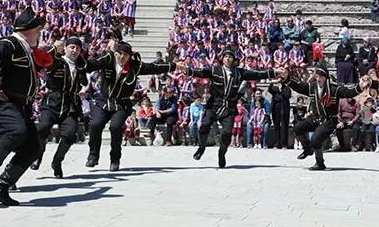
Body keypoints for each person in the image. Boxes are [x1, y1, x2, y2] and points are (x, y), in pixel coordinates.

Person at [0, 6, 51, 206]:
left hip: (21, 106)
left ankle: (2, 187)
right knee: (16, 131)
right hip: (3, 103)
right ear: (28, 29)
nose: (40, 33)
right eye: (38, 29)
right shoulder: (9, 43)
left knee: (33, 148)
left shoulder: (26, 48)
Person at [177, 50, 280, 168]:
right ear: (222, 59)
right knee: (204, 125)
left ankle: (222, 153)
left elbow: (257, 74)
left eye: (230, 57)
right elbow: (201, 72)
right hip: (214, 105)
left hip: (229, 107)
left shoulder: (239, 73)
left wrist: (274, 72)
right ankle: (201, 147)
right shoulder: (215, 70)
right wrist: (187, 70)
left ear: (233, 60)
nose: (227, 59)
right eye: (225, 56)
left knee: (226, 133)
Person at [85, 41, 176, 171]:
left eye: (125, 55)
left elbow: (154, 67)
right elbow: (92, 64)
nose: (122, 57)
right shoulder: (108, 60)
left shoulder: (134, 66)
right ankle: (93, 155)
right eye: (120, 54)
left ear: (129, 56)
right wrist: (106, 51)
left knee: (115, 128)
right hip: (104, 100)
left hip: (122, 103)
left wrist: (173, 66)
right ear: (116, 53)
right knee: (95, 125)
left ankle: (115, 159)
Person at [277, 63, 362, 170]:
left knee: (315, 139)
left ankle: (320, 163)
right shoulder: (312, 87)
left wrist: (360, 86)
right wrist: (286, 78)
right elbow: (298, 86)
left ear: (326, 77)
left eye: (321, 77)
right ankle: (307, 149)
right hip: (315, 117)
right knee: (298, 127)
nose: (318, 79)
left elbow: (349, 92)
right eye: (317, 76)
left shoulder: (334, 89)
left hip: (329, 120)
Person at [30, 37, 89, 178]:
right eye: (72, 47)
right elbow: (46, 57)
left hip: (70, 105)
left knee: (70, 134)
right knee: (42, 128)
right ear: (66, 48)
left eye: (78, 48)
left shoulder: (80, 65)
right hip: (52, 102)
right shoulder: (56, 61)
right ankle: (38, 155)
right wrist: (56, 48)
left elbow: (85, 79)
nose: (74, 51)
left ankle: (57, 161)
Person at [268, 82, 291, 149]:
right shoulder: (275, 88)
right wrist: (272, 83)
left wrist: (281, 90)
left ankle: (284, 144)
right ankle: (277, 143)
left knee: (284, 126)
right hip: (276, 107)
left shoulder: (286, 88)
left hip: (284, 108)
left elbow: (288, 96)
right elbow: (270, 90)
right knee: (276, 126)